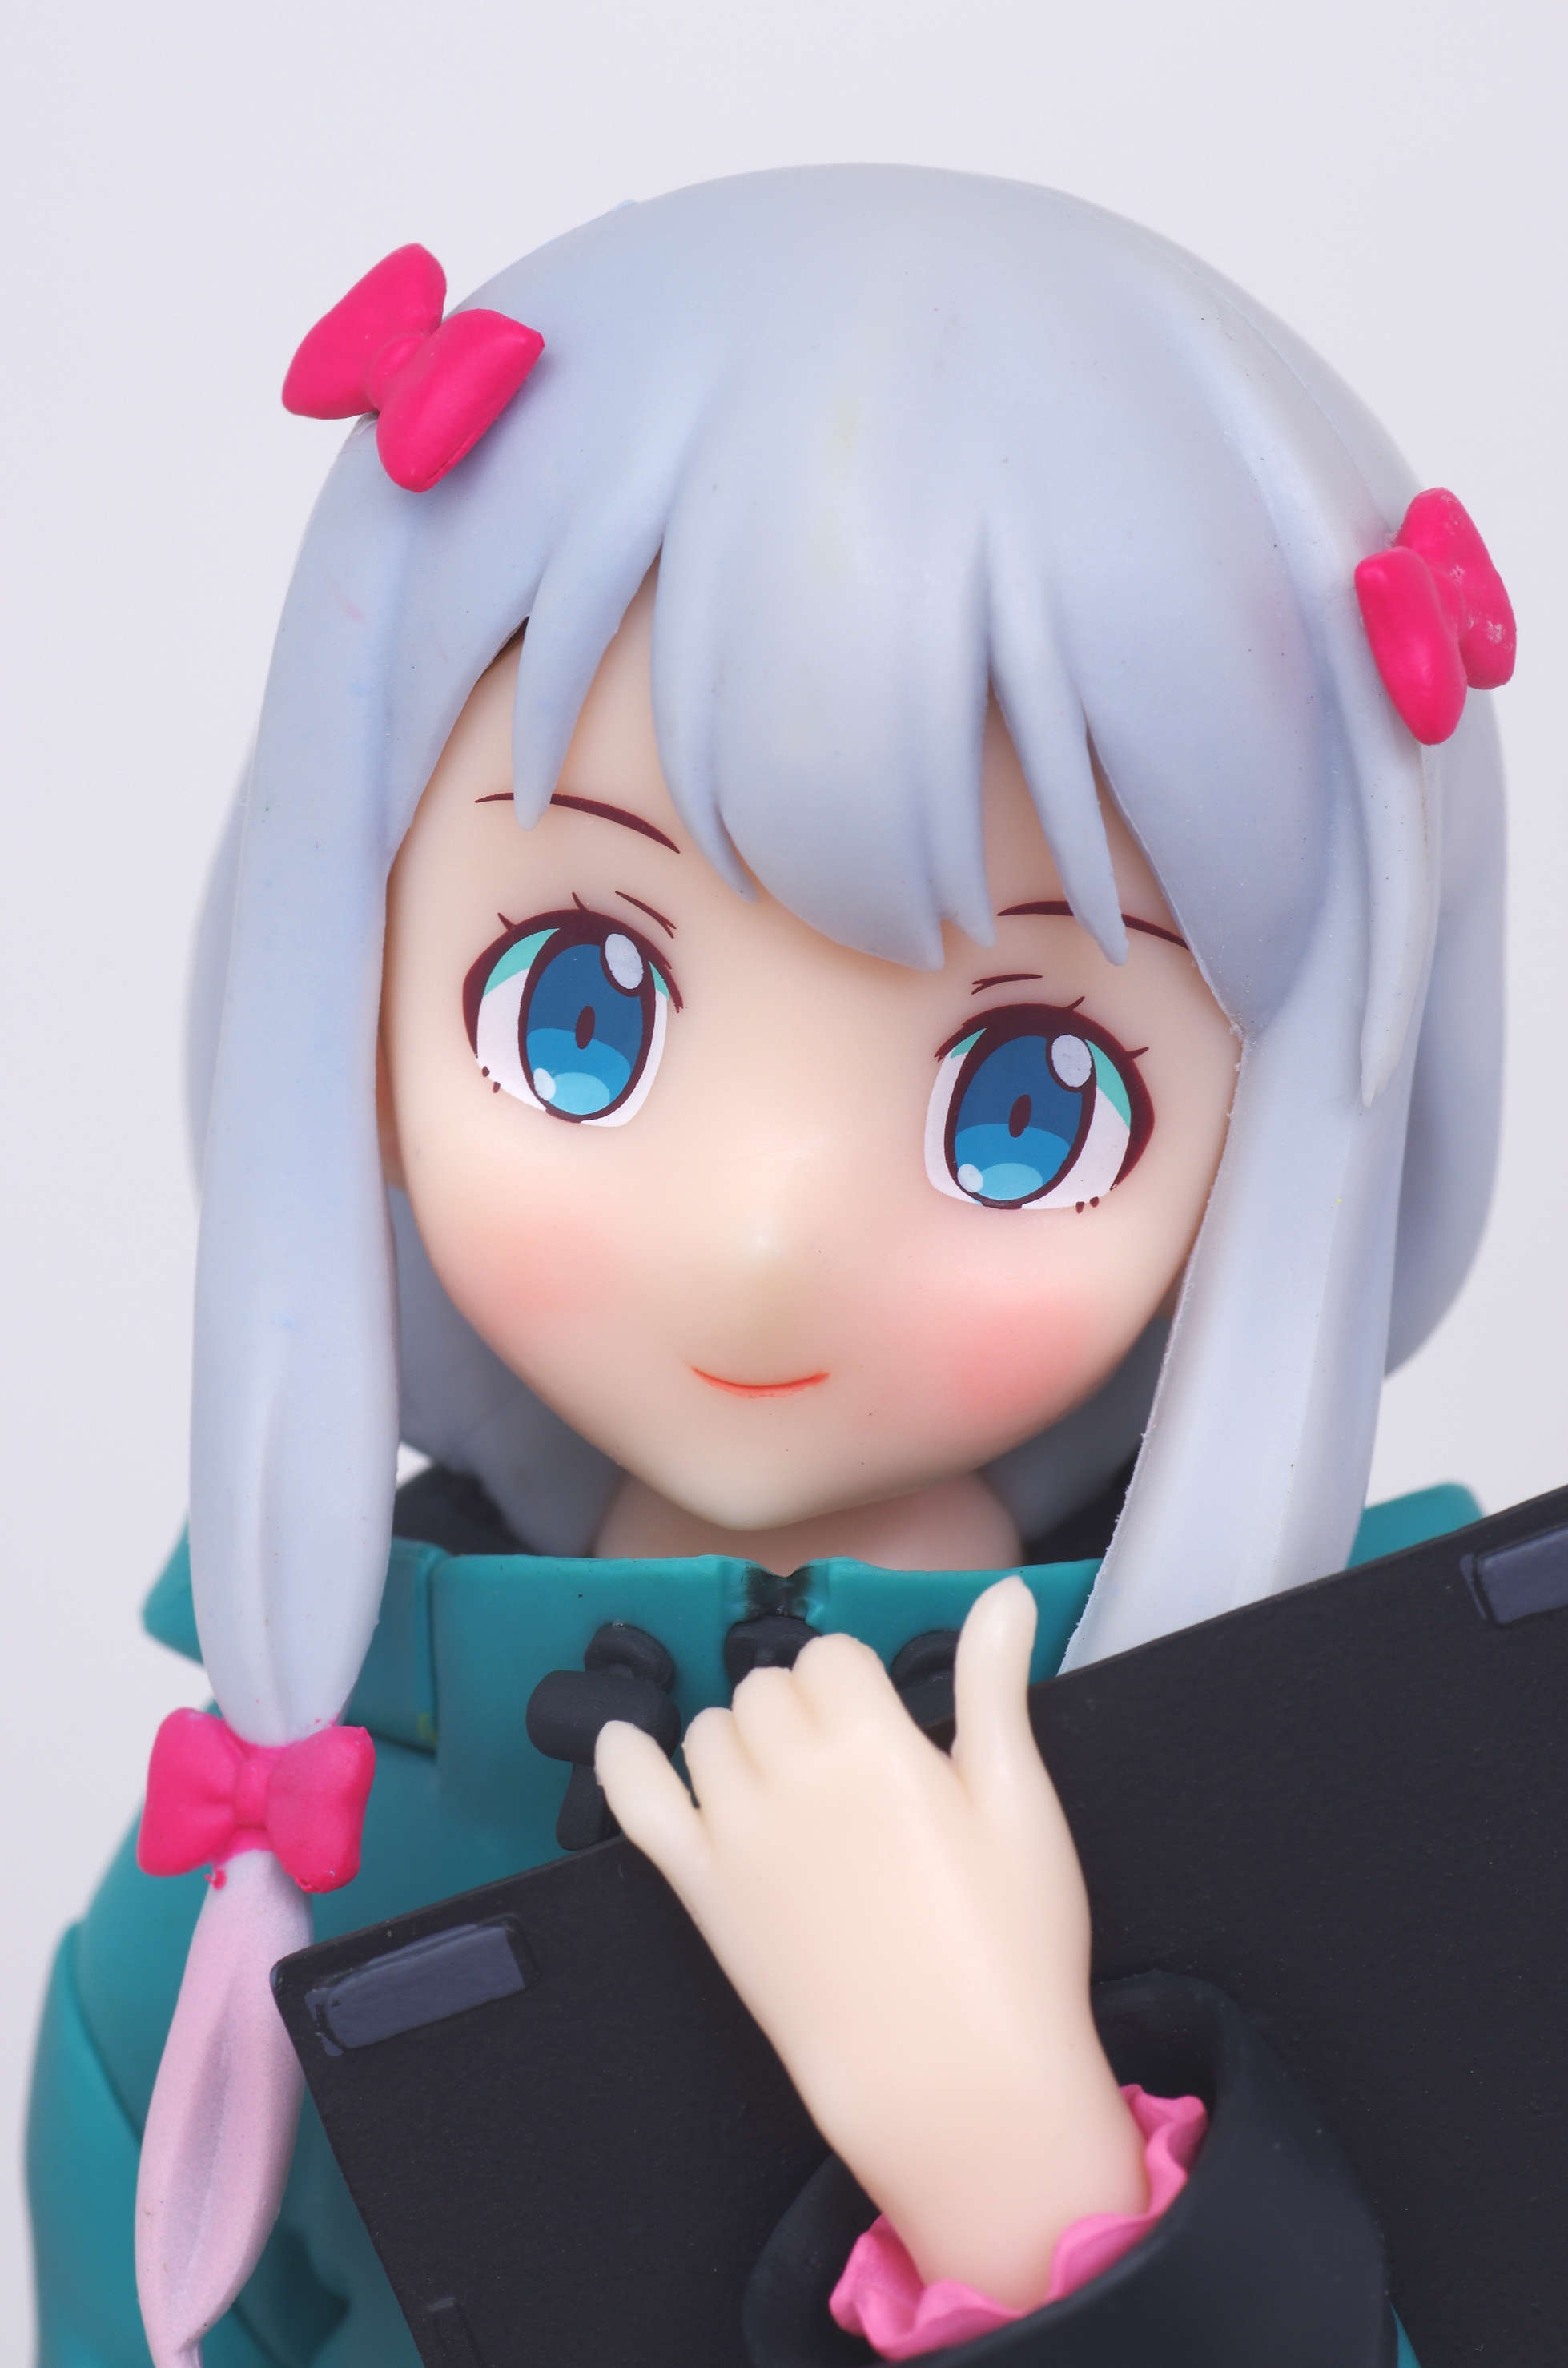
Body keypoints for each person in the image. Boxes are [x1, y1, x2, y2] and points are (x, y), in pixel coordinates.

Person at [27, 167, 1510, 2367]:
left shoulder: (1397, 1815)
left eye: (1028, 1104)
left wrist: (1038, 2176)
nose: (760, 1237)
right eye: (578, 1009)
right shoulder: (253, 1889)